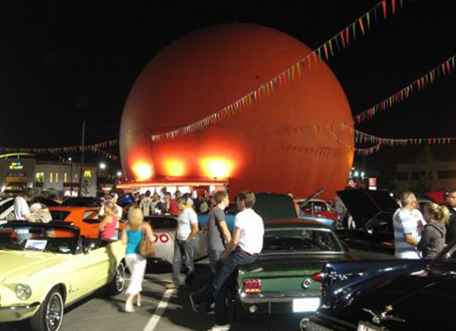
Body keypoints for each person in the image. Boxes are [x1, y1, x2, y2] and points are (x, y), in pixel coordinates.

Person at [201, 192, 264, 331]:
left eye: (237, 200)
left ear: (242, 201)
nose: (235, 203)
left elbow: (234, 241)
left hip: (240, 255)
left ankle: (220, 322)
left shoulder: (240, 216)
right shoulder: (258, 218)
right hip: (254, 256)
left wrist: (224, 255)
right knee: (232, 284)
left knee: (219, 285)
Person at [121, 207, 154, 312]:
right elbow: (152, 238)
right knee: (136, 278)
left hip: (128, 254)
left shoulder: (126, 226)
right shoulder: (145, 225)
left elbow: (123, 241)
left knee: (135, 276)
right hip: (140, 255)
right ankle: (129, 300)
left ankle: (138, 298)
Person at [168, 196, 199, 289]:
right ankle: (175, 282)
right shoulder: (181, 213)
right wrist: (176, 235)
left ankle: (190, 283)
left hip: (186, 240)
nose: (177, 205)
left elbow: (195, 228)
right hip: (178, 240)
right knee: (176, 260)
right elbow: (179, 225)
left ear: (182, 203)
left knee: (188, 262)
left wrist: (188, 239)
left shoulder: (191, 213)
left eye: (178, 203)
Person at [393, 192, 426, 259]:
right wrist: (425, 247)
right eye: (413, 197)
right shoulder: (402, 214)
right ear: (409, 200)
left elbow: (425, 228)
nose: (416, 200)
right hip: (407, 255)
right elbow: (408, 238)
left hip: (418, 253)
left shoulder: (416, 212)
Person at [207, 191, 231, 274]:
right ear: (223, 199)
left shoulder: (214, 210)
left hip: (213, 245)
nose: (229, 200)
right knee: (219, 272)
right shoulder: (218, 211)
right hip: (218, 246)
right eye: (228, 198)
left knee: (215, 270)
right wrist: (231, 244)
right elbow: (225, 229)